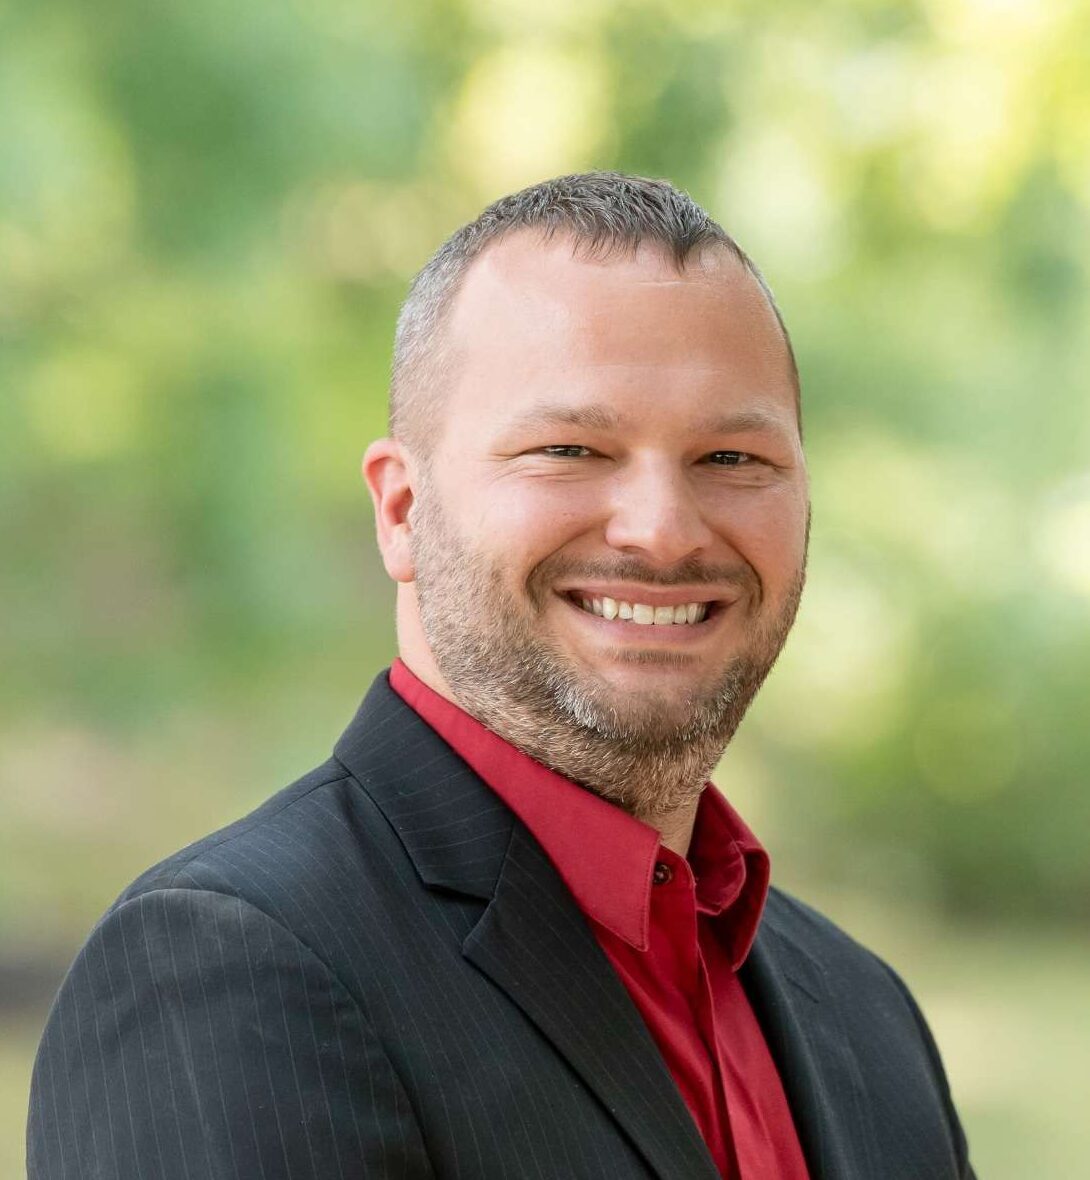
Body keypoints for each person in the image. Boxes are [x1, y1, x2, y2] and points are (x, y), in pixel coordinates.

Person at [26, 172, 976, 1179]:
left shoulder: (867, 1014)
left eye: (732, 458)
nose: (661, 529)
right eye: (569, 448)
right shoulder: (227, 969)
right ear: (401, 511)